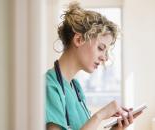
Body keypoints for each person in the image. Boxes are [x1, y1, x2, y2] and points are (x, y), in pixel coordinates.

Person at [45, 1, 141, 130]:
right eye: (101, 48)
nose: (105, 57)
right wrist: (99, 116)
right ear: (79, 40)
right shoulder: (48, 87)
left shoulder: (76, 88)